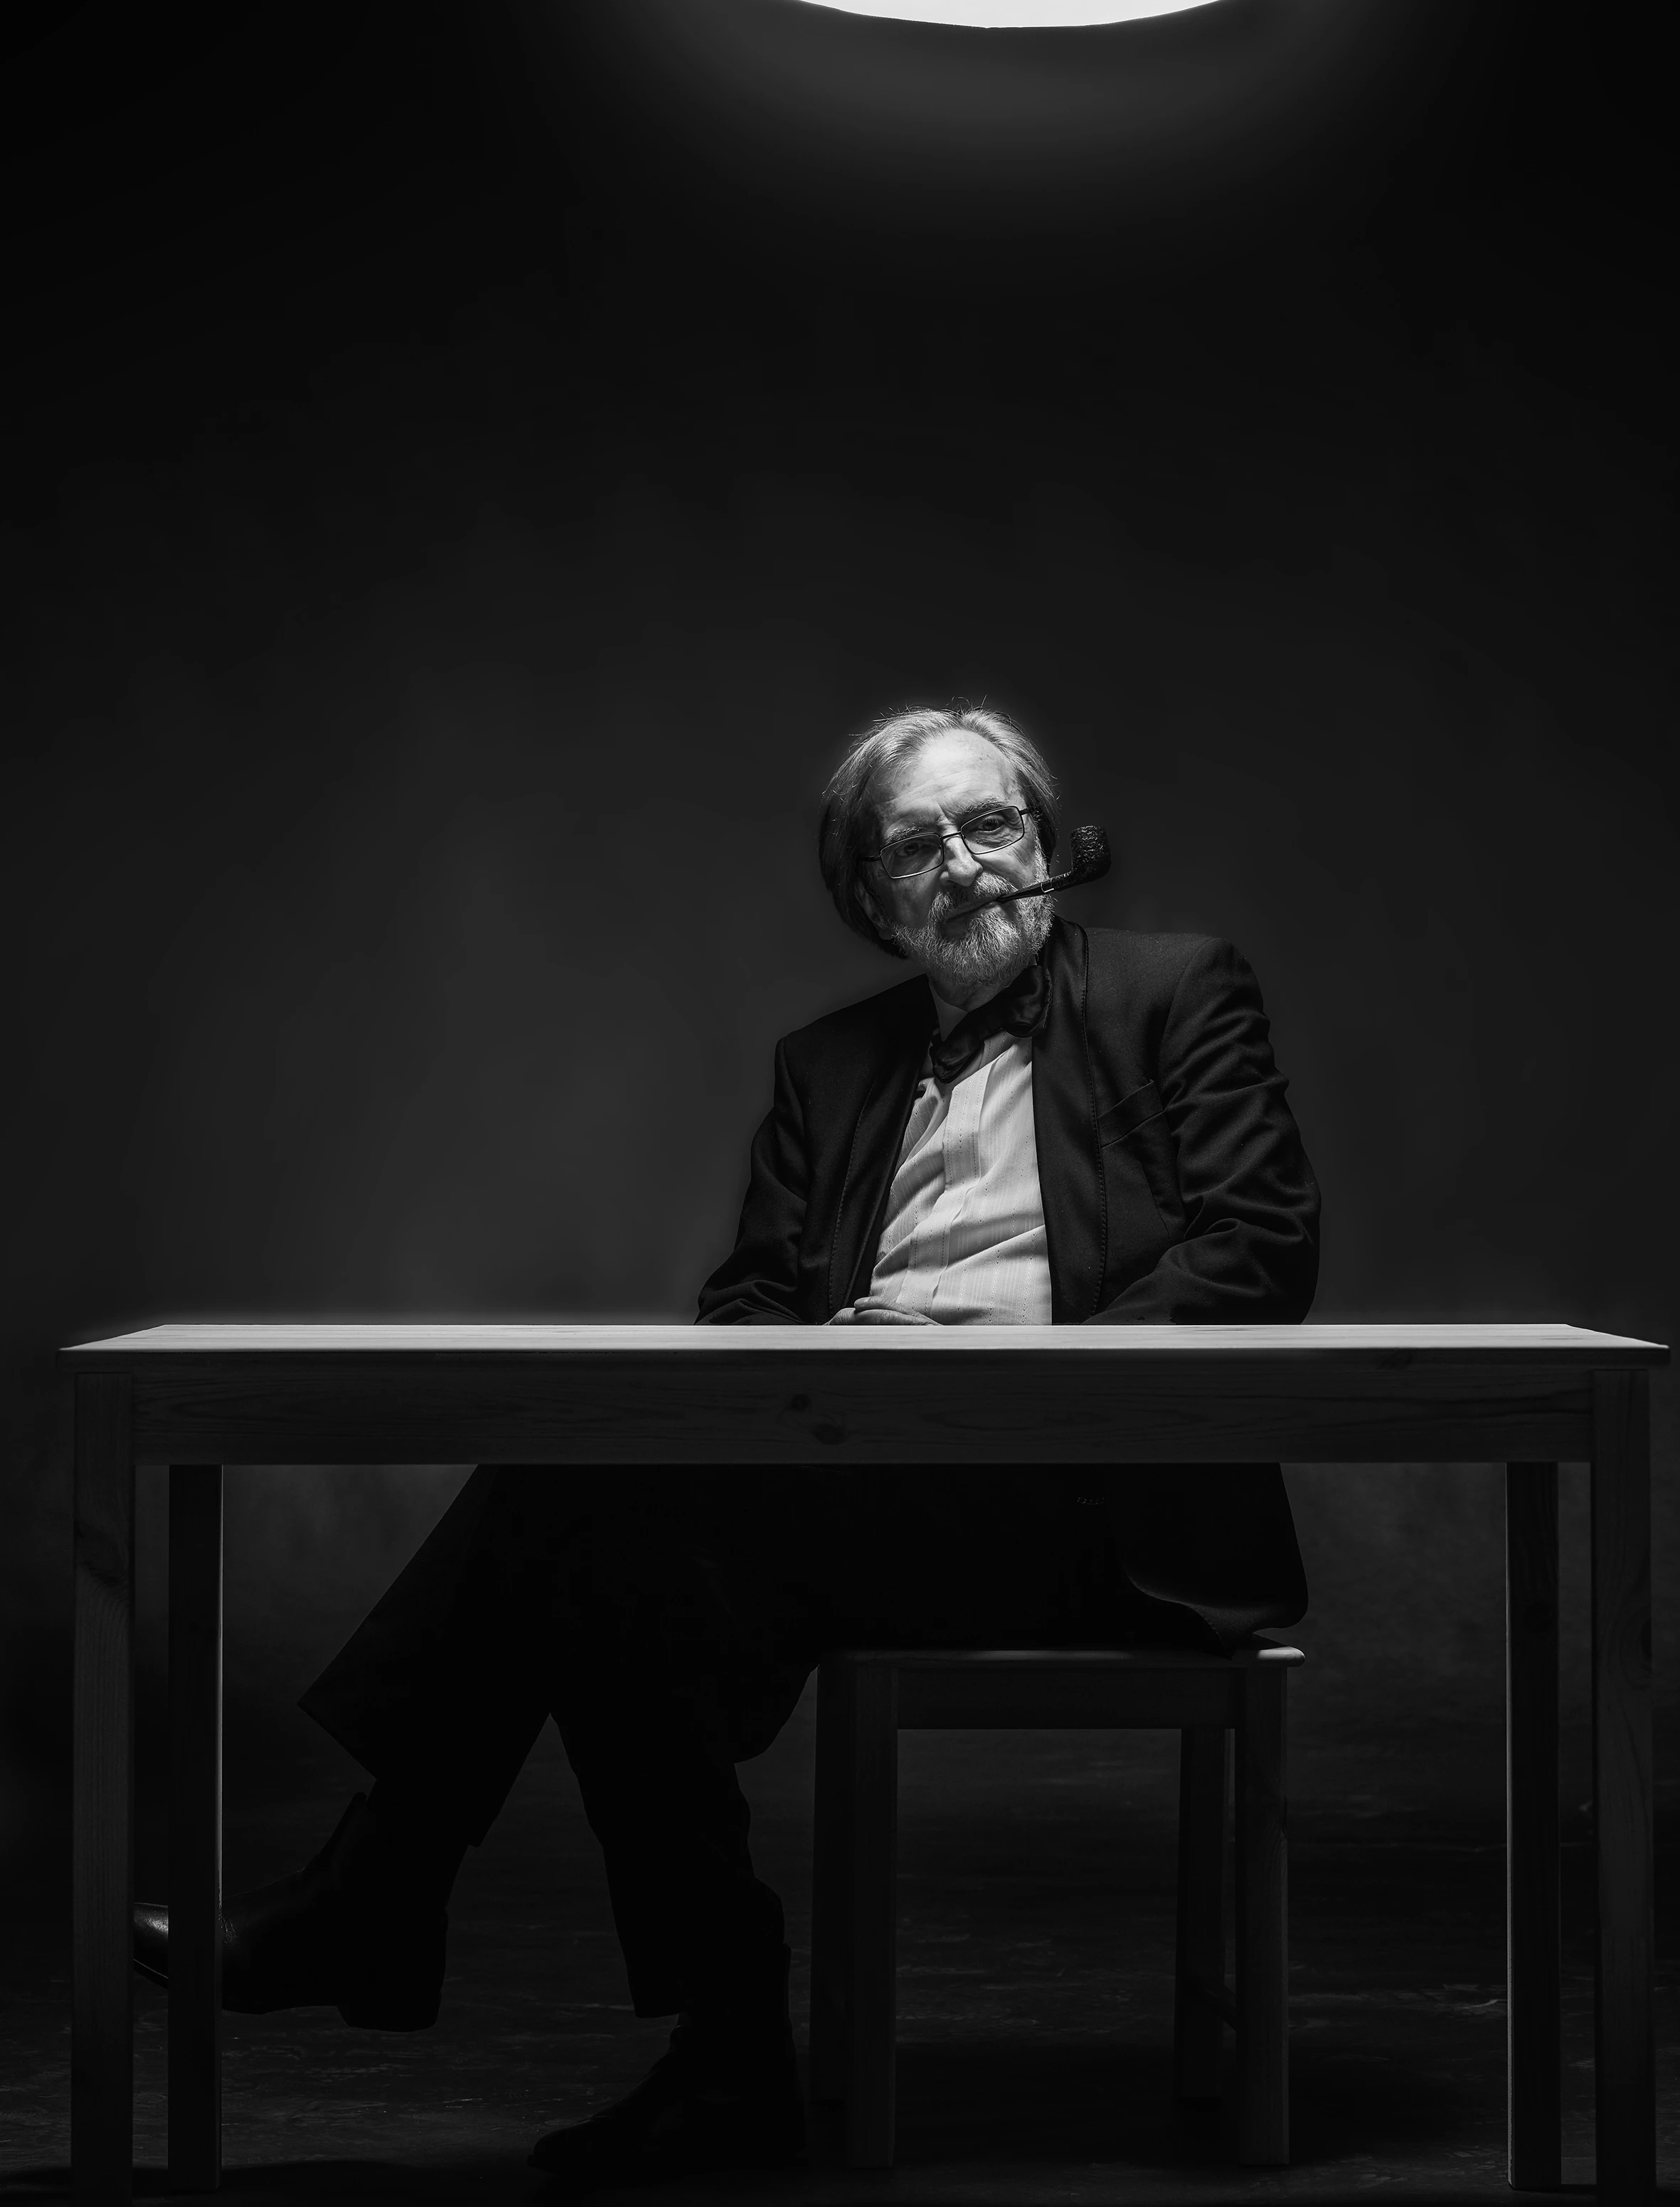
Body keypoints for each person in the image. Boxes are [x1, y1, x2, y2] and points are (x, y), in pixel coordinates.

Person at [133, 703, 1320, 2189]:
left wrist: (1004, 1373)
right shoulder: (825, 1064)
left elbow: (1256, 1248)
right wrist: (835, 1371)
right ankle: (693, 2039)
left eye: (990, 827)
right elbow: (748, 1299)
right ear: (869, 894)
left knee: (588, 1513)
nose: (962, 863)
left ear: (1045, 845)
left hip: (1104, 1508)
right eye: (917, 843)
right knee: (612, 1551)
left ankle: (419, 1899)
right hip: (869, 1499)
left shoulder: (1175, 989)